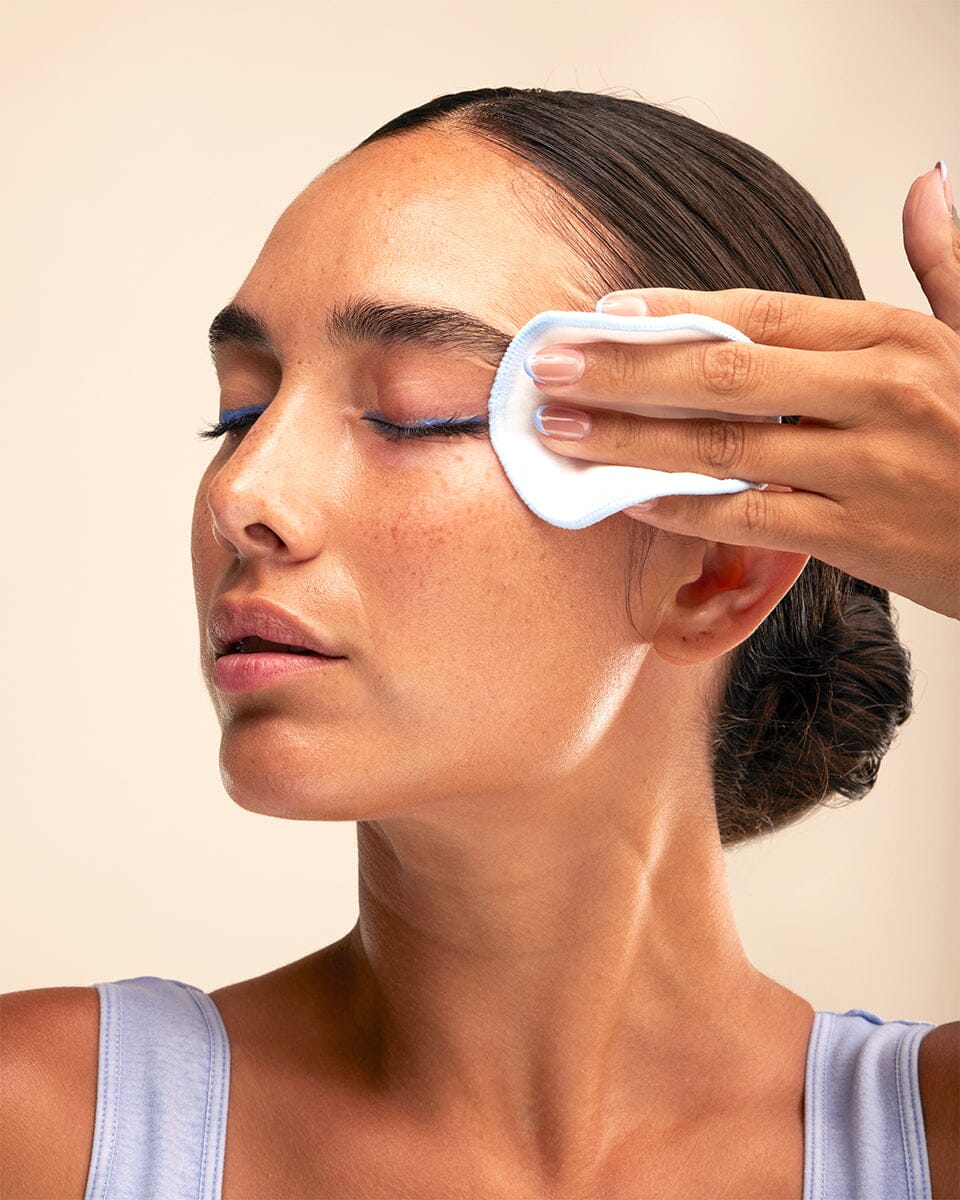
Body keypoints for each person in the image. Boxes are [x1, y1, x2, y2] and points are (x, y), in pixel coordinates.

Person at [1, 87, 957, 1200]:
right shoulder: (42, 1130)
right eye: (240, 412)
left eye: (411, 411)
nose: (242, 493)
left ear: (715, 572)